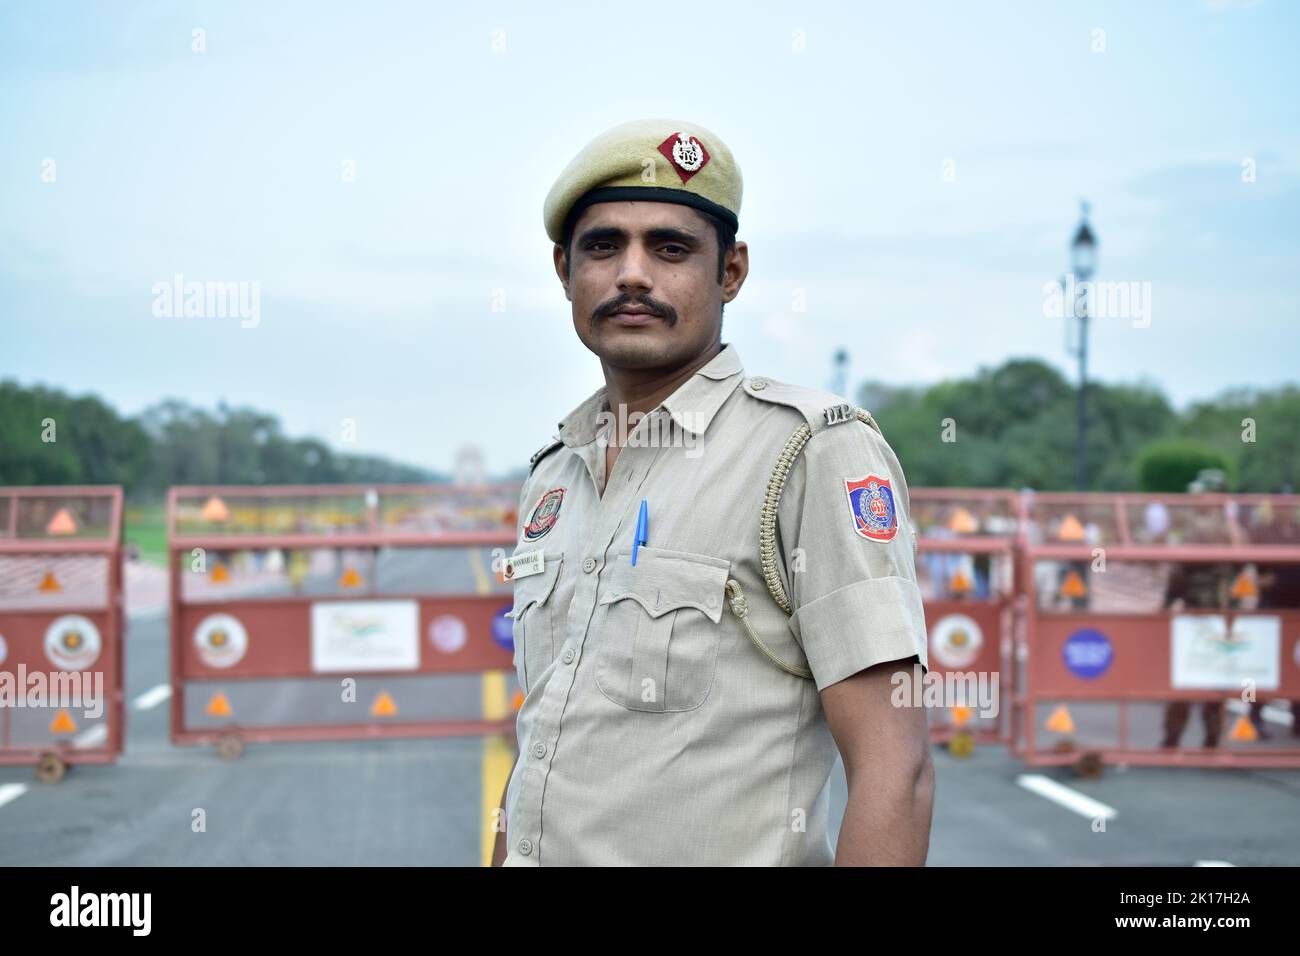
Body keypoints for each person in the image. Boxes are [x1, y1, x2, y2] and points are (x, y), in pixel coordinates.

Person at [492, 119, 933, 866]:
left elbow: (898, 769)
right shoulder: (554, 475)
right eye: (604, 246)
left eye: (670, 248)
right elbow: (545, 742)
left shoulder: (808, 451)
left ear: (730, 272)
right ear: (565, 270)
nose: (633, 273)